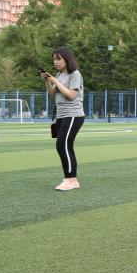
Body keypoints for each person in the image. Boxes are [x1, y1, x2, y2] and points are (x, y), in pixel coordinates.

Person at [40, 46, 84, 191]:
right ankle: (70, 179)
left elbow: (71, 95)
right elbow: (53, 94)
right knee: (65, 146)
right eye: (54, 59)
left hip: (73, 115)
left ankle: (71, 180)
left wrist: (55, 81)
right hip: (62, 116)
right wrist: (47, 81)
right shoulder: (59, 75)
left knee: (62, 145)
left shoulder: (75, 74)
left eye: (58, 59)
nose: (55, 62)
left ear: (67, 59)